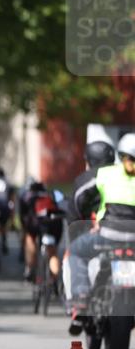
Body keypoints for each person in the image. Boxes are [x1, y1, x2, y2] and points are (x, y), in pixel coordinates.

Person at [65, 133, 135, 335]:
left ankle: (81, 298)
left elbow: (81, 200)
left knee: (77, 252)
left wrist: (83, 222)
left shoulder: (107, 174)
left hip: (109, 235)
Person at [18, 179, 65, 283]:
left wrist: (24, 227)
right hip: (55, 224)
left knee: (30, 238)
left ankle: (30, 269)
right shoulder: (52, 194)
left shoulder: (27, 196)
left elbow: (22, 217)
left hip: (35, 224)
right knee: (52, 253)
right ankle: (54, 280)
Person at [69, 140, 116, 222]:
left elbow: (74, 213)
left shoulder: (87, 179)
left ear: (91, 160)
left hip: (99, 229)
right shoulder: (124, 174)